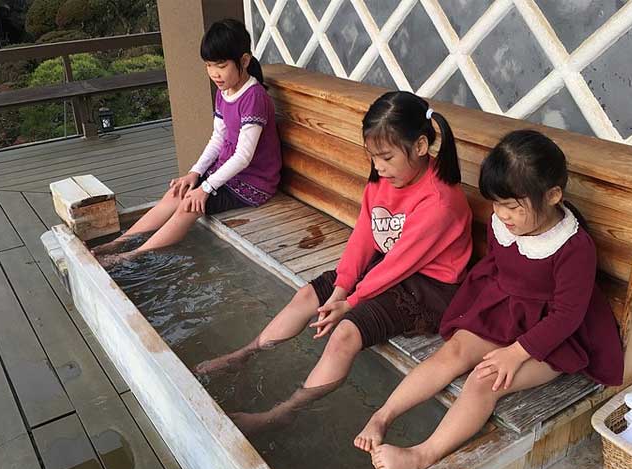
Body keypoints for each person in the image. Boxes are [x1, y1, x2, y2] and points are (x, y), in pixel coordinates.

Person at [195, 91, 473, 434]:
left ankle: (283, 412)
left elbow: (400, 263)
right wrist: (341, 287)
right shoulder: (385, 180)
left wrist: (351, 303)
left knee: (345, 333)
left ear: (419, 146)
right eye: (373, 157)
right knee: (307, 296)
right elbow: (364, 237)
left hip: (430, 289)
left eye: (385, 157)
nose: (378, 167)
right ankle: (246, 353)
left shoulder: (440, 201)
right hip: (391, 268)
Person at [356, 129, 624, 469]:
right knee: (451, 353)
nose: (503, 215)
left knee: (484, 380)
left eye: (512, 206)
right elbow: (499, 269)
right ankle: (383, 416)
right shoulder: (504, 223)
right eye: (497, 204)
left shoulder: (574, 247)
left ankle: (423, 455)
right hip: (507, 312)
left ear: (553, 195)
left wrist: (516, 352)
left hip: (553, 337)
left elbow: (567, 316)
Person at [93, 19, 281, 262]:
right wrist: (194, 173)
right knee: (176, 193)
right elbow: (218, 139)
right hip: (227, 174)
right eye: (209, 66)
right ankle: (118, 243)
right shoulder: (225, 92)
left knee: (189, 205)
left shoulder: (253, 97)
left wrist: (205, 188)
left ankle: (131, 256)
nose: (214, 73)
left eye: (221, 66)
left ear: (244, 61)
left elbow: (244, 156)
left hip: (253, 183)